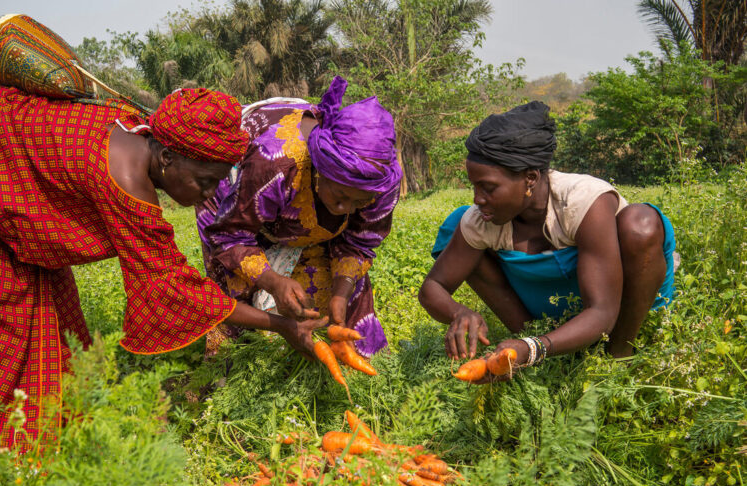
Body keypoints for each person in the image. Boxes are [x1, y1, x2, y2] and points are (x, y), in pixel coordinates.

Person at [0, 84, 326, 444]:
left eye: (218, 182)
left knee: (58, 314)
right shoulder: (126, 180)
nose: (209, 194)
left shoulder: (144, 136)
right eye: (204, 181)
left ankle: (52, 430)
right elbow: (174, 290)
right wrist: (281, 325)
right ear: (167, 157)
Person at [419, 101, 677, 380]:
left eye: (488, 188)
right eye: (474, 186)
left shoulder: (583, 200)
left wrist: (533, 349)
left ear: (530, 178)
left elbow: (602, 311)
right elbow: (433, 286)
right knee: (457, 224)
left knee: (640, 223)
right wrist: (458, 312)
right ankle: (532, 342)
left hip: (616, 303)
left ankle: (619, 354)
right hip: (550, 304)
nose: (477, 198)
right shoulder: (482, 219)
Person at [196, 76, 402, 356]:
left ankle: (347, 359)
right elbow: (230, 237)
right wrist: (273, 281)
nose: (346, 209)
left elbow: (358, 243)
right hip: (237, 201)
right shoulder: (275, 163)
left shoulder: (381, 182)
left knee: (339, 299)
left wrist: (341, 292)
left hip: (292, 203)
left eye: (360, 201)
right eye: (340, 195)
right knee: (238, 290)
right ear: (320, 170)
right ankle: (234, 364)